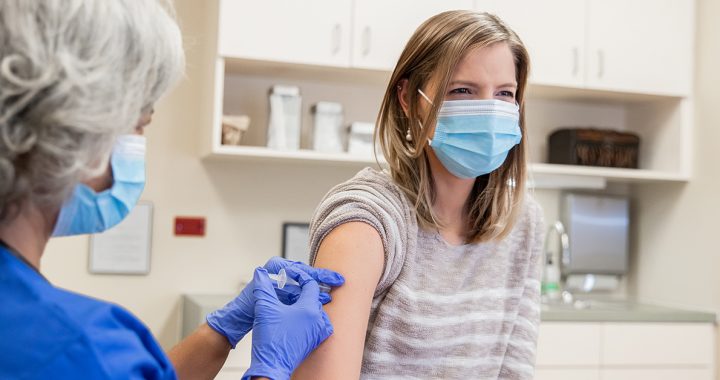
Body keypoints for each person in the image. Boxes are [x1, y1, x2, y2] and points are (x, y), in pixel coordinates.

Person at [0, 1, 343, 379]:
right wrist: (270, 369)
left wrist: (221, 330)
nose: (138, 142)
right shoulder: (78, 348)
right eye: (139, 125)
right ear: (77, 134)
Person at [292, 10, 545, 379]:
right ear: (409, 98)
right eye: (462, 90)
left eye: (505, 94)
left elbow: (514, 370)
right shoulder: (367, 220)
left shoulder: (523, 221)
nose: (488, 109)